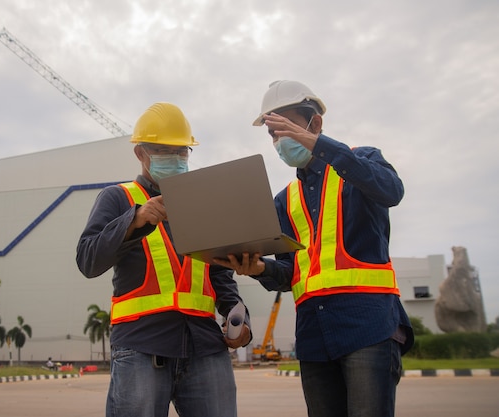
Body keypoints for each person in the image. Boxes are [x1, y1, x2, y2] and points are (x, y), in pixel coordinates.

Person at [214, 81, 414, 417]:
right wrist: (260, 269)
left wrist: (321, 147)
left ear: (315, 124)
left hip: (368, 327)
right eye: (272, 135)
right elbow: (291, 273)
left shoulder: (360, 161)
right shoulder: (284, 201)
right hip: (314, 337)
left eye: (284, 128)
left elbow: (392, 191)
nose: (278, 141)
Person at [76, 102, 252, 417]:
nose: (175, 158)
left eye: (182, 151)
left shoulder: (202, 204)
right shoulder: (119, 198)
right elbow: (88, 260)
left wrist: (237, 316)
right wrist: (134, 220)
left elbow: (220, 276)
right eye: (162, 150)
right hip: (143, 345)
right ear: (140, 154)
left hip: (205, 346)